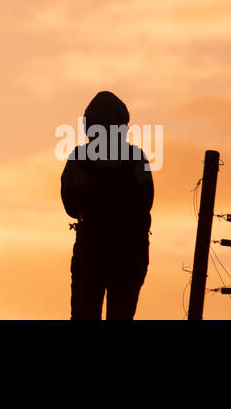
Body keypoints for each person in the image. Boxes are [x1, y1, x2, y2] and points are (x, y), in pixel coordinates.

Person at [60, 91, 153, 319]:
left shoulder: (78, 159)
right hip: (128, 255)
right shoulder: (137, 159)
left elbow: (71, 207)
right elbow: (146, 202)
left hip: (94, 254)